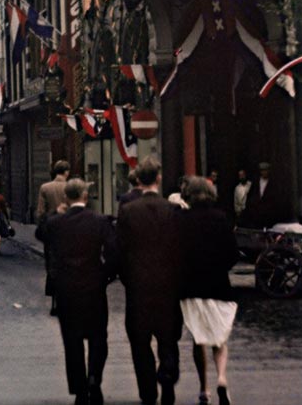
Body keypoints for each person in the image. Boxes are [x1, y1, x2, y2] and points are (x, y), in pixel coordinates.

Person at [117, 157, 183, 405]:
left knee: (140, 343)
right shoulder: (172, 210)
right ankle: (167, 376)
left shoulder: (128, 211)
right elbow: (180, 249)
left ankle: (147, 393)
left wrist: (127, 278)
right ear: (158, 178)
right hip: (167, 287)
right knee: (168, 338)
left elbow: (120, 250)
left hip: (138, 287)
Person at [46, 178, 117, 405]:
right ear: (86, 197)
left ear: (66, 198)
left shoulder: (57, 223)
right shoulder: (99, 221)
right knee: (98, 337)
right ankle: (94, 378)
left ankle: (79, 389)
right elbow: (114, 251)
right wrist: (105, 274)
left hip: (66, 289)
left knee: (72, 340)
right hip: (94, 287)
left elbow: (40, 233)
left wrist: (56, 213)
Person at [180, 177, 238, 405]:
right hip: (218, 285)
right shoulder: (221, 219)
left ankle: (204, 388)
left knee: (198, 339)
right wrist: (221, 267)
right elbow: (233, 253)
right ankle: (222, 378)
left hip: (192, 286)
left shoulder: (183, 220)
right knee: (220, 338)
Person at [36, 160, 70, 315]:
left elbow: (40, 212)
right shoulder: (71, 187)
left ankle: (55, 302)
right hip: (69, 230)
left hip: (51, 231)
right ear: (66, 172)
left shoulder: (45, 188)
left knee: (52, 266)